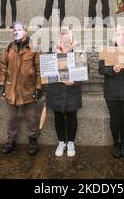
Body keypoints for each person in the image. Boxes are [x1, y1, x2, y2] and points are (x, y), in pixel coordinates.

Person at [0, 22, 42, 155]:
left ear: (25, 32)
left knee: (32, 117)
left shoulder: (34, 48)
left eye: (19, 29)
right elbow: (3, 67)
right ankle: (11, 140)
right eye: (14, 30)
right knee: (11, 118)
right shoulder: (10, 47)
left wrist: (39, 87)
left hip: (28, 89)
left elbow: (40, 69)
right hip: (11, 89)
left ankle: (33, 139)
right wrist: (1, 85)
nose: (16, 32)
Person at [98, 25, 124, 158]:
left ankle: (123, 143)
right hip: (111, 92)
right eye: (118, 34)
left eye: (123, 34)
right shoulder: (107, 51)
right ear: (113, 37)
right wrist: (111, 70)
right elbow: (101, 70)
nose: (121, 36)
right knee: (114, 119)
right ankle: (116, 143)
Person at [45, 26, 83, 157]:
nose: (65, 34)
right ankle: (61, 142)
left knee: (72, 116)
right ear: (59, 35)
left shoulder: (78, 49)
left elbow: (84, 71)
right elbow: (46, 70)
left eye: (67, 32)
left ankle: (71, 142)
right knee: (58, 117)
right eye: (62, 32)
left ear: (71, 34)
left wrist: (75, 81)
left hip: (72, 90)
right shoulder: (52, 50)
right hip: (56, 90)